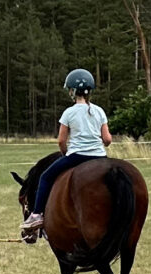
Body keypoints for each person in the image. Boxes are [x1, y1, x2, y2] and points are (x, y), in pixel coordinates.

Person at [22, 68, 110, 242]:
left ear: (71, 91)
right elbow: (107, 139)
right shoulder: (99, 111)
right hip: (100, 157)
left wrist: (65, 154)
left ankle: (37, 214)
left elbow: (61, 141)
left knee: (45, 177)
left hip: (77, 156)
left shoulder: (69, 113)